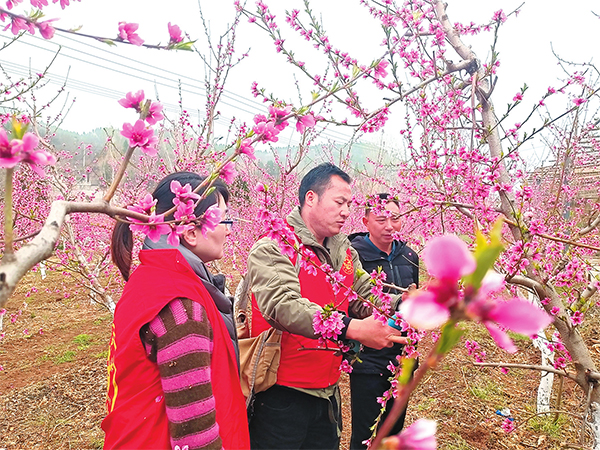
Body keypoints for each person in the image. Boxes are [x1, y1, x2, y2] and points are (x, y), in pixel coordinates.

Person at [246, 163, 407, 450]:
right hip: (281, 393)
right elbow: (281, 305)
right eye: (339, 202)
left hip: (327, 392)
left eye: (349, 204)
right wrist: (352, 328)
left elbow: (362, 294)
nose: (346, 212)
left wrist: (402, 303)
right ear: (311, 198)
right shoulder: (275, 246)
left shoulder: (344, 250)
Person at [102, 172, 250, 450]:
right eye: (224, 220)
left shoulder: (150, 278)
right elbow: (195, 436)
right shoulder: (181, 306)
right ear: (191, 233)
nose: (229, 230)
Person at [348, 193, 419, 449]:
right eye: (381, 219)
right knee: (364, 434)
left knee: (393, 432)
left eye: (395, 218)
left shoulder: (409, 255)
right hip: (368, 359)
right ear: (365, 221)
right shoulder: (353, 255)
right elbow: (351, 302)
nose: (390, 226)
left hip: (403, 358)